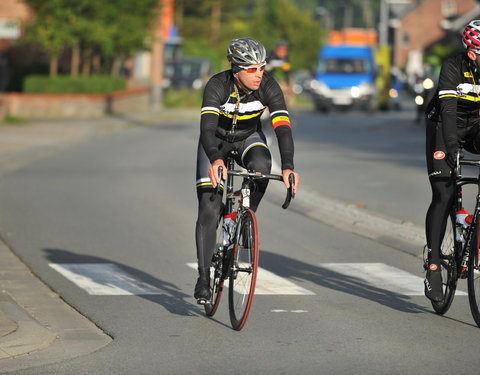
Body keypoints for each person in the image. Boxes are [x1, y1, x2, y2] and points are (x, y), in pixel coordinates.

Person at [194, 37, 300, 302]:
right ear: (236, 69)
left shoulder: (268, 86)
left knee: (262, 166)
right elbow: (206, 129)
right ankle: (204, 277)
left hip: (248, 137)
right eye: (252, 69)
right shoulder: (217, 85)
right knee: (209, 206)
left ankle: (244, 217)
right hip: (215, 142)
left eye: (262, 67)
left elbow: (283, 129)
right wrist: (215, 159)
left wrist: (288, 167)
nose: (259, 74)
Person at [424, 20, 480, 302]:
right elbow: (447, 111)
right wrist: (453, 149)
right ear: (472, 53)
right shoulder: (452, 67)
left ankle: (471, 232)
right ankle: (434, 265)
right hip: (444, 128)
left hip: (475, 126)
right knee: (443, 192)